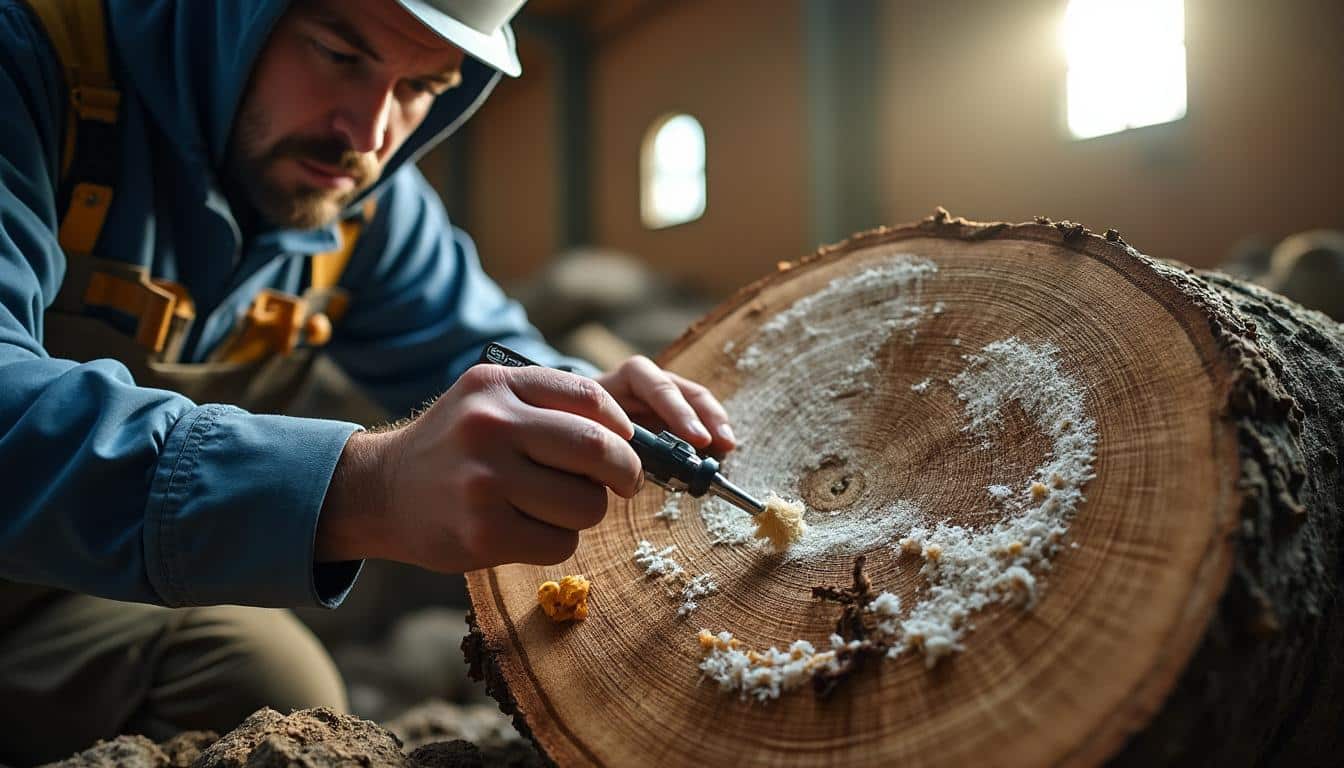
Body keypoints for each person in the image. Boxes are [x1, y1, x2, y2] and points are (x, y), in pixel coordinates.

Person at [0, 0, 737, 762]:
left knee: (264, 685)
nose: (368, 133)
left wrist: (582, 404)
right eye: (337, 54)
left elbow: (482, 353)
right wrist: (367, 487)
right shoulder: (25, 62)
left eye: (421, 86)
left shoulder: (357, 198)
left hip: (46, 601)